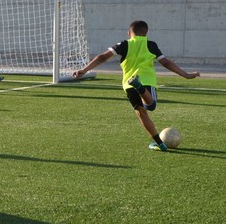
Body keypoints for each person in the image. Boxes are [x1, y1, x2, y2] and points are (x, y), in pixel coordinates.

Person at [73, 20, 200, 152]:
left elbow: (102, 57)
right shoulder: (150, 45)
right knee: (151, 106)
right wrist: (185, 74)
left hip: (128, 84)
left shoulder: (124, 44)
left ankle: (160, 144)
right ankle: (140, 87)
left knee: (141, 113)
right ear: (146, 33)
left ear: (129, 33)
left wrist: (84, 70)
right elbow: (166, 63)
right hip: (147, 81)